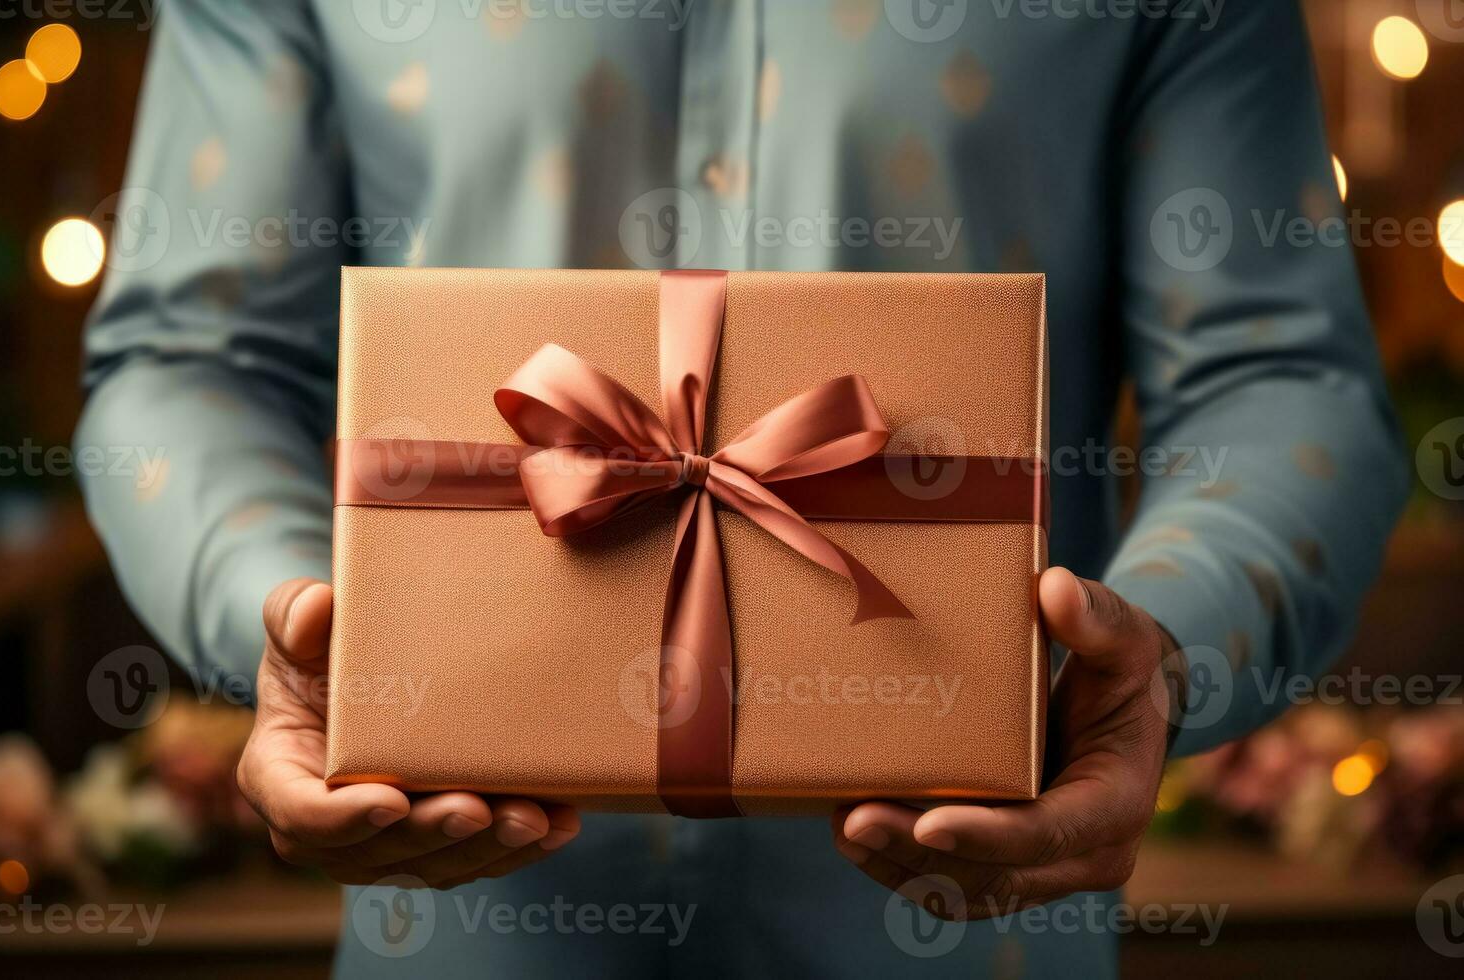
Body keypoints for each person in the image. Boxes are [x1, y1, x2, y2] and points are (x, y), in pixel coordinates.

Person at [76, 1, 1406, 975]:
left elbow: (1276, 375)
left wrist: (1152, 656)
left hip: (973, 932)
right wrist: (311, 634)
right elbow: (188, 361)